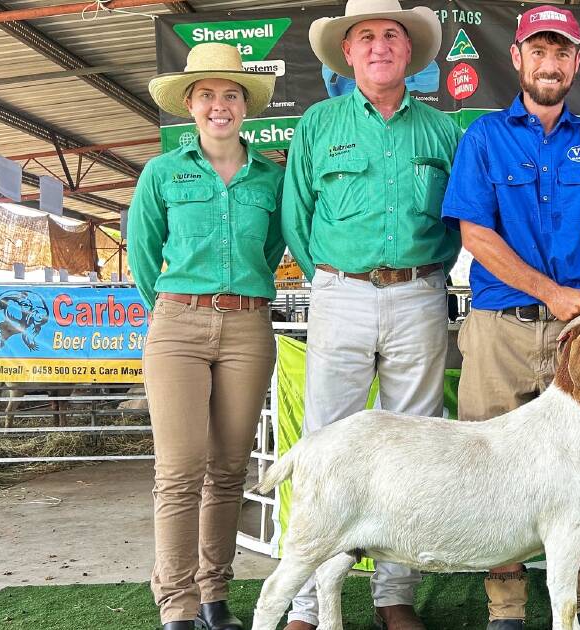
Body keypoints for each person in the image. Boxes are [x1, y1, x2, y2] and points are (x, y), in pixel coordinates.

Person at [440, 6, 580, 630]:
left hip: (579, 333)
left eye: (562, 53)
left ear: (577, 63)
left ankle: (576, 607)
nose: (550, 64)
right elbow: (477, 234)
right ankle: (505, 609)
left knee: (575, 471)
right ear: (518, 59)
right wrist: (550, 292)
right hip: (501, 325)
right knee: (491, 468)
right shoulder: (484, 137)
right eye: (538, 52)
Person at [279, 0, 461, 628]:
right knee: (326, 446)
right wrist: (332, 277)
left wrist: (427, 275)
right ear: (348, 53)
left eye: (392, 35)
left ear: (409, 52)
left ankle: (394, 595)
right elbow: (296, 219)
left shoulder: (441, 130)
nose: (380, 45)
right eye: (366, 37)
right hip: (341, 293)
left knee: (415, 447)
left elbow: (458, 221)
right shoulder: (318, 125)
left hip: (420, 293)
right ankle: (305, 600)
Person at [129, 42, 284, 630]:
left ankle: (215, 595)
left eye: (230, 95)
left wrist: (237, 297)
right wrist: (176, 308)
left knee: (228, 469)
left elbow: (272, 249)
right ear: (189, 106)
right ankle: (178, 604)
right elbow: (144, 257)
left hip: (248, 325)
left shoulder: (269, 175)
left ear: (245, 105)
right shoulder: (162, 172)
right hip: (176, 326)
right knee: (179, 470)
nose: (220, 106)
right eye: (207, 96)